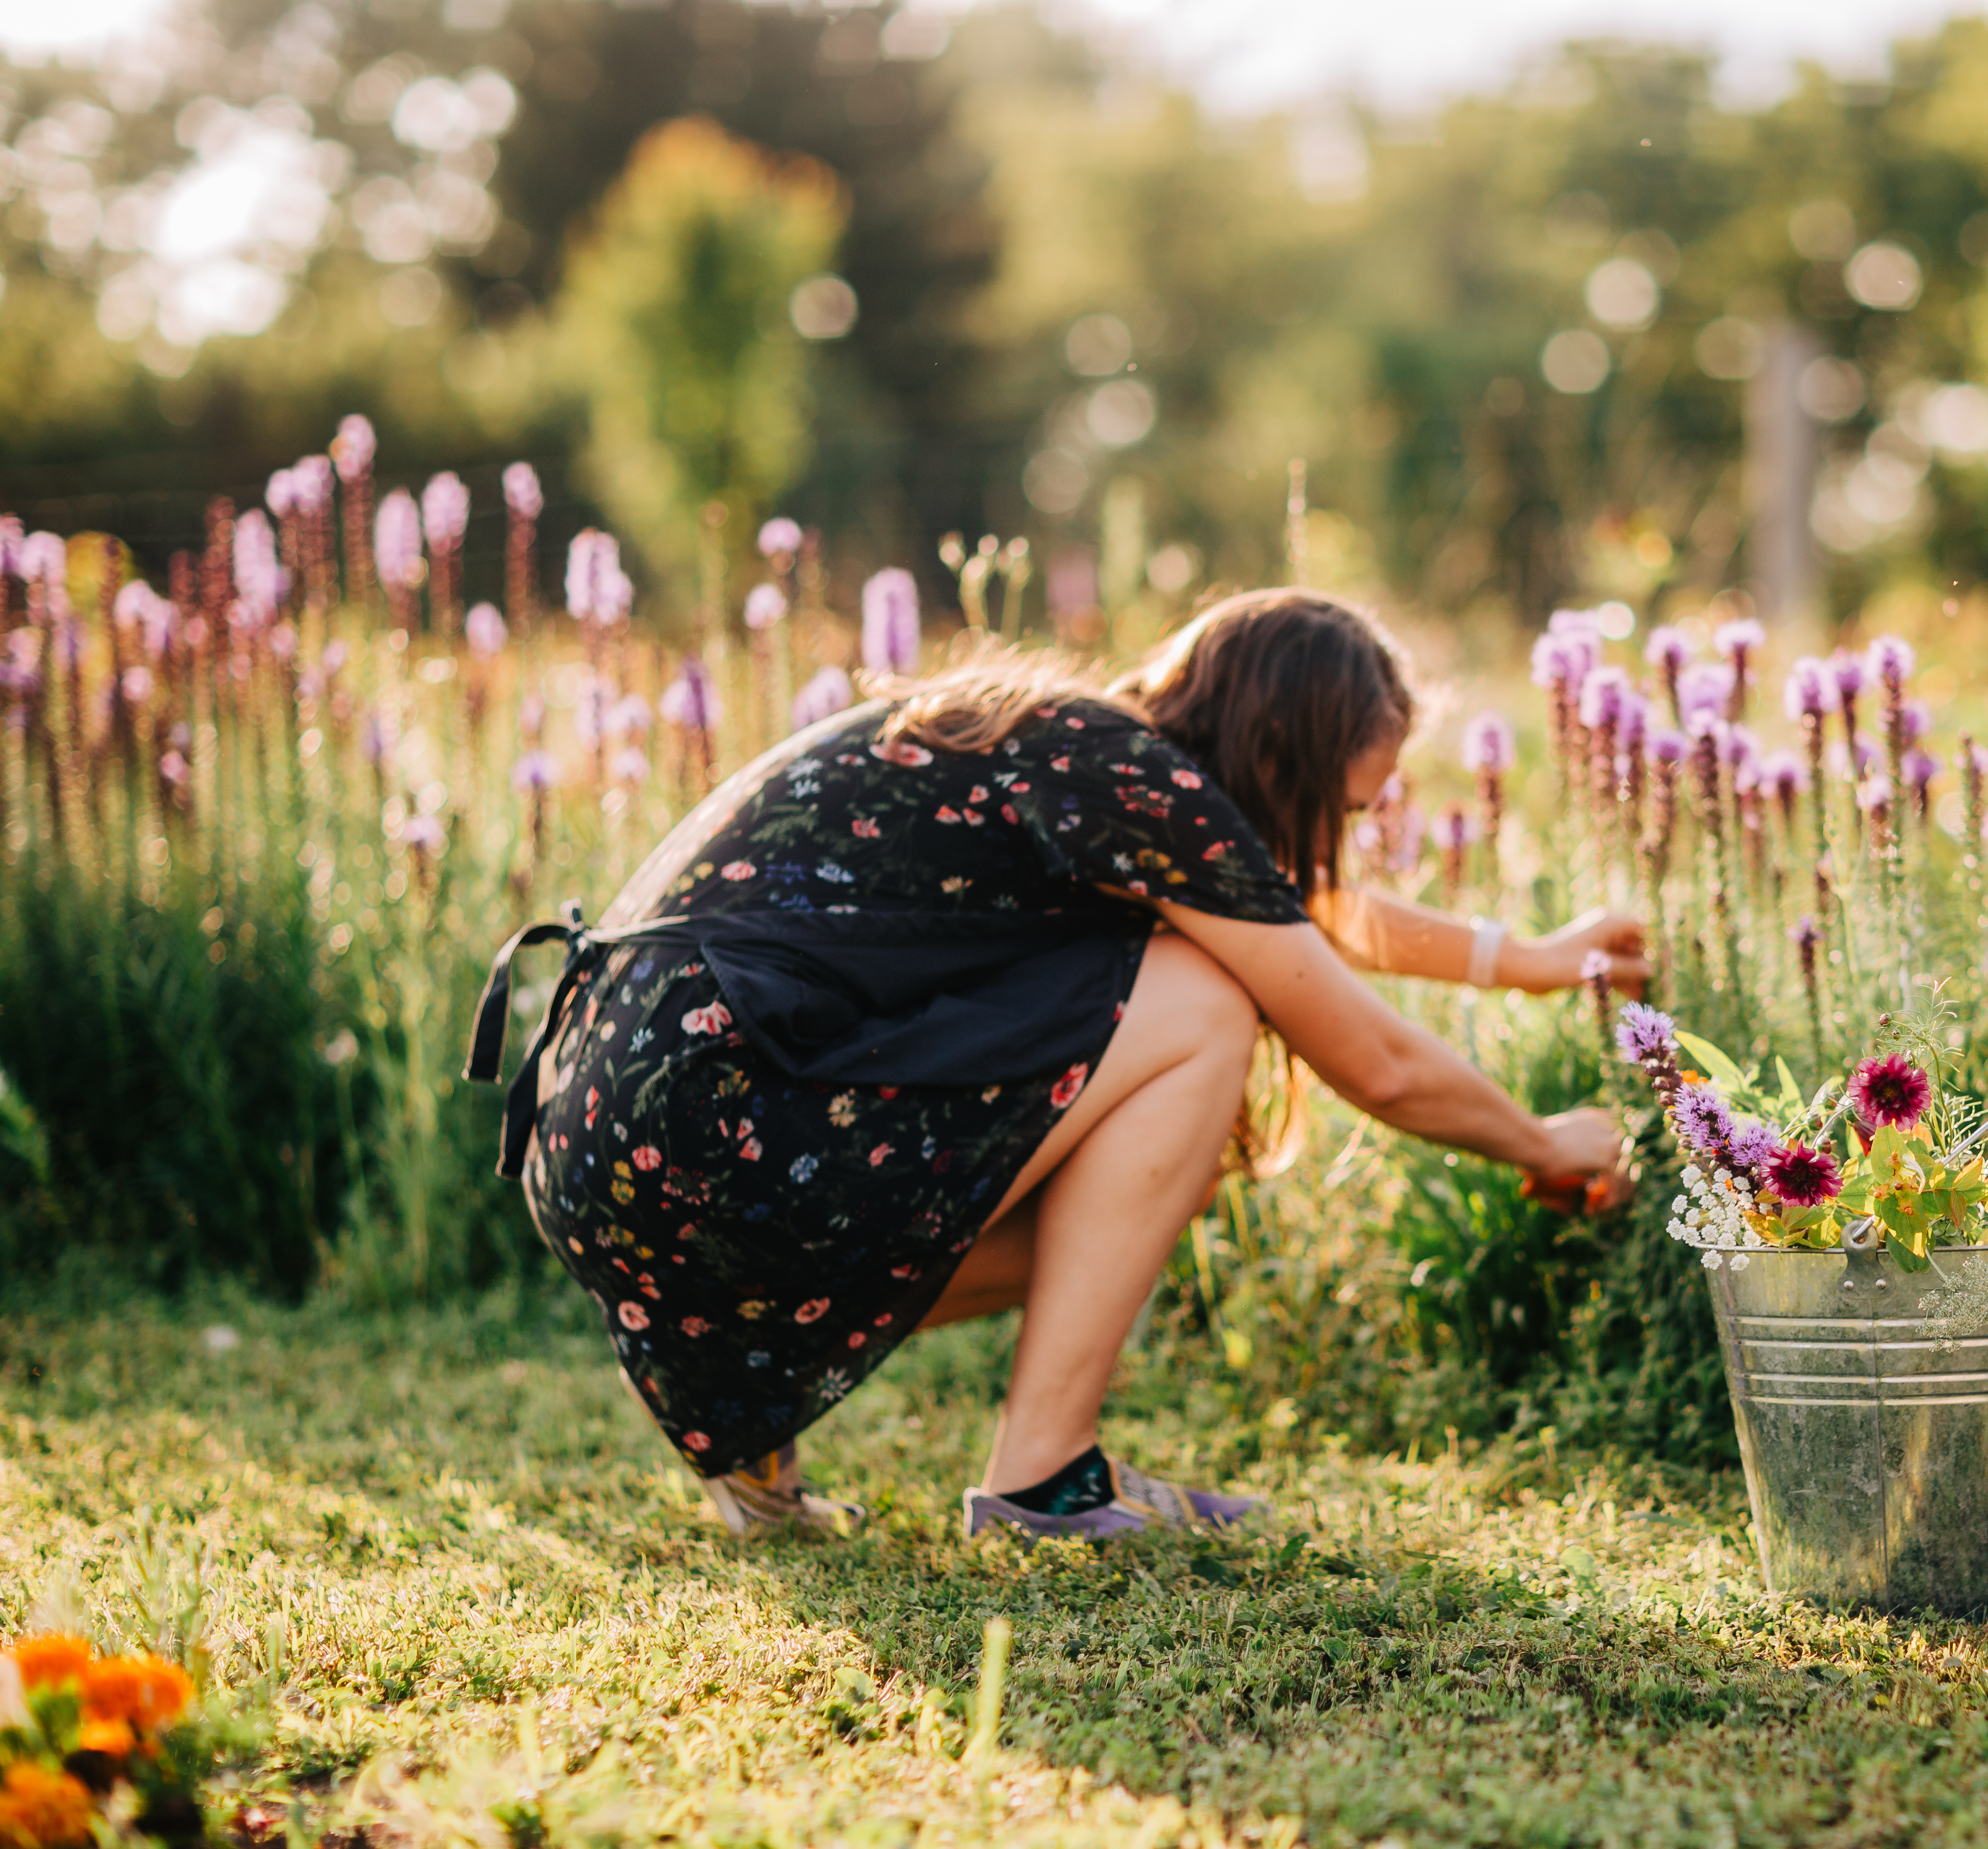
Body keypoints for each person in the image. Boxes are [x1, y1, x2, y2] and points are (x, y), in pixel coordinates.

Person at [467, 589, 1639, 1544]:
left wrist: (1526, 961)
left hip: (620, 1134)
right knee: (1200, 1002)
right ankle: (1042, 1483)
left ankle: (730, 1368)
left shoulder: (1065, 744)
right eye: (1339, 808)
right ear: (1280, 753)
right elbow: (1371, 1058)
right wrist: (1547, 1142)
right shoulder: (1118, 771)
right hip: (719, 1115)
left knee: (1137, 1139)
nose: (1343, 837)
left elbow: (1295, 911)